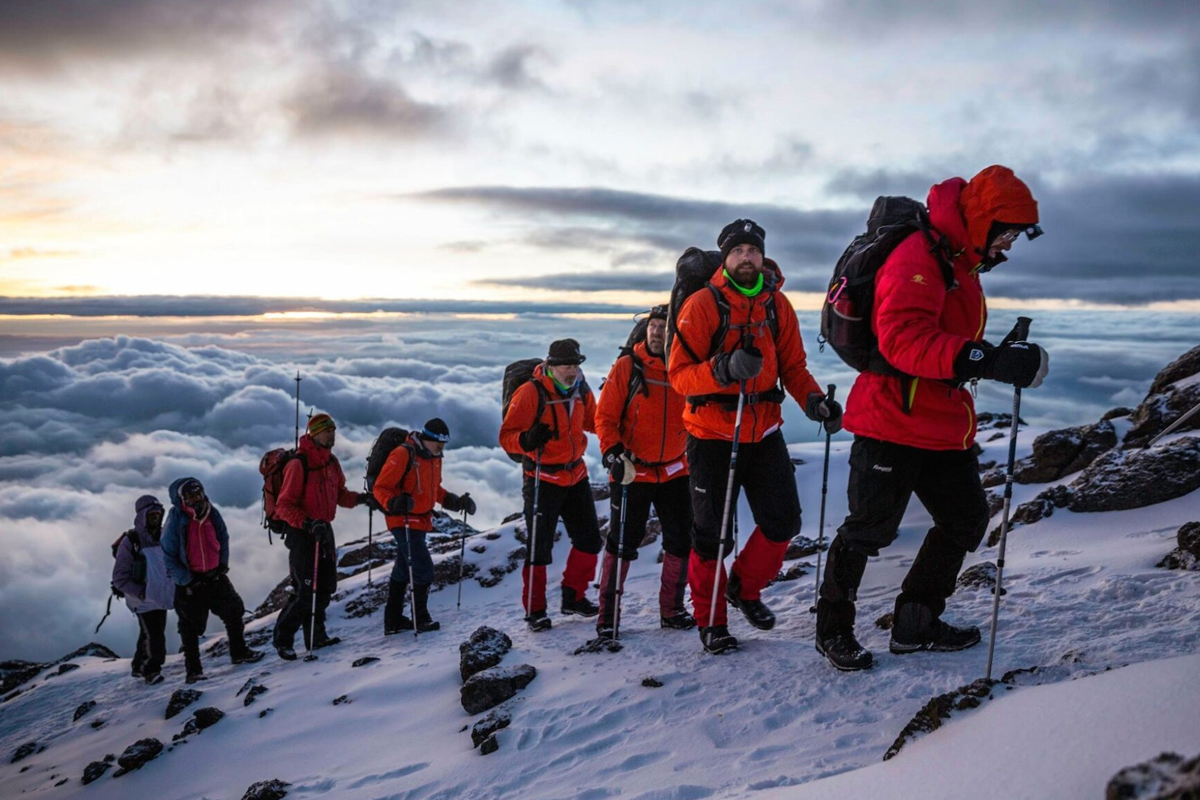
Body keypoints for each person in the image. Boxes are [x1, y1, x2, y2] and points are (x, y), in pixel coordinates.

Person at [816, 165, 1049, 671]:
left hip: (942, 421)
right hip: (891, 419)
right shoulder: (918, 256)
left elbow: (947, 338)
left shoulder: (958, 260)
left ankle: (915, 623)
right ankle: (832, 629)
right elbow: (902, 339)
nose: (1007, 247)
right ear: (983, 221)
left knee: (965, 520)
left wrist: (992, 356)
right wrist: (982, 359)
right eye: (1005, 234)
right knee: (868, 529)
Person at [668, 219, 841, 654]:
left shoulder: (777, 305)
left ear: (763, 257)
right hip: (710, 434)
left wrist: (815, 402)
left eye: (753, 250)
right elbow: (678, 377)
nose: (747, 257)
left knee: (784, 521)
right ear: (725, 258)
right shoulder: (703, 305)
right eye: (738, 250)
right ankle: (712, 622)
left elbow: (794, 367)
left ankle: (744, 588)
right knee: (711, 536)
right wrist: (723, 370)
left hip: (763, 430)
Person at [595, 305, 695, 637]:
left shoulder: (683, 369)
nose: (655, 331)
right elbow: (605, 417)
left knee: (681, 540)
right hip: (631, 470)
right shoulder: (628, 367)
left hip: (674, 470)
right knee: (623, 541)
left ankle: (672, 610)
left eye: (663, 327)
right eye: (653, 325)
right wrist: (611, 451)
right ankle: (607, 617)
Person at [499, 339, 604, 632]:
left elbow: (596, 422)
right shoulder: (531, 393)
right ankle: (536, 611)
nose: (571, 371)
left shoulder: (581, 390)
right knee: (539, 548)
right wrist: (526, 440)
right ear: (551, 366)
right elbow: (506, 435)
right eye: (566, 366)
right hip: (541, 478)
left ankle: (573, 597)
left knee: (590, 540)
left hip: (575, 474)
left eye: (575, 365)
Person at [272, 413, 371, 660]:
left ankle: (317, 637)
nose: (332, 435)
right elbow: (283, 506)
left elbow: (340, 494)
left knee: (325, 588)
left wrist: (361, 499)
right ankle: (283, 640)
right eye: (327, 431)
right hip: (302, 533)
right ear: (313, 434)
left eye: (334, 431)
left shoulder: (331, 462)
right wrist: (307, 523)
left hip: (324, 530)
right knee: (305, 591)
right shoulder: (299, 464)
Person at [373, 418, 476, 635]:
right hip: (402, 520)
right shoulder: (403, 454)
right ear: (427, 438)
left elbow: (433, 489)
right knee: (423, 569)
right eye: (438, 442)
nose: (441, 447)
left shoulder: (434, 458)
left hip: (422, 520)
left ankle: (392, 621)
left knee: (402, 570)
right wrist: (393, 503)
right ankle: (421, 618)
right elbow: (381, 487)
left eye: (444, 444)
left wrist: (455, 502)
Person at [162, 476, 264, 682]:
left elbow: (223, 538)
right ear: (181, 499)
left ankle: (239, 653)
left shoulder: (211, 512)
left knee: (234, 611)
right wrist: (187, 580)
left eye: (198, 493)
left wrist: (222, 565)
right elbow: (168, 556)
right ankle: (194, 671)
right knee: (190, 627)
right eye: (190, 495)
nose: (196, 498)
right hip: (190, 582)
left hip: (215, 576)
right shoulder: (176, 519)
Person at [111, 495, 174, 685]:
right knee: (155, 637)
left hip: (159, 596)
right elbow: (120, 578)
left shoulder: (162, 536)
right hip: (143, 599)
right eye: (152, 514)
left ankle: (138, 665)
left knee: (149, 633)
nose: (156, 518)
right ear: (142, 515)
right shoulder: (131, 542)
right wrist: (141, 592)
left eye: (158, 514)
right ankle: (151, 670)